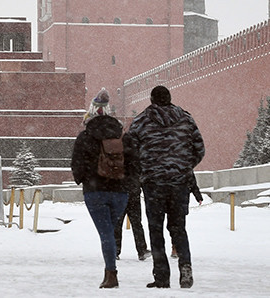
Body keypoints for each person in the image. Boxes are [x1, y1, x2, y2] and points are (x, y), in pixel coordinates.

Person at [127, 85, 205, 289]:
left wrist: (145, 170)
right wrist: (182, 167)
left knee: (156, 229)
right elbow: (199, 149)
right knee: (179, 228)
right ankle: (186, 268)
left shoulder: (141, 121)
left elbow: (130, 152)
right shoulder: (186, 119)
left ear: (151, 99)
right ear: (169, 98)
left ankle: (161, 276)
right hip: (179, 184)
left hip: (153, 185)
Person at [71, 96, 131, 290]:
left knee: (105, 233)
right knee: (110, 232)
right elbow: (134, 162)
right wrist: (126, 183)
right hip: (120, 192)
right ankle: (109, 272)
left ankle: (111, 274)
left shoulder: (85, 136)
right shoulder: (122, 135)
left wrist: (85, 180)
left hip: (95, 191)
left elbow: (77, 163)